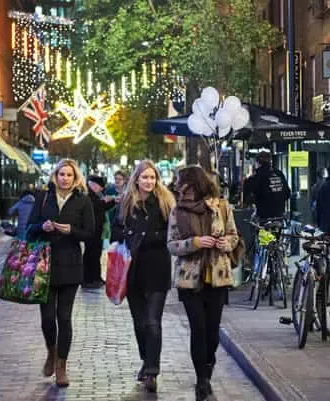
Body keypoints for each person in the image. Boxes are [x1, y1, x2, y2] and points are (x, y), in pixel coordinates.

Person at [167, 166, 239, 401]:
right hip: (190, 280)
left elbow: (234, 236)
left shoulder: (221, 206)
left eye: (182, 183)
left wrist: (224, 244)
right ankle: (202, 380)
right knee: (198, 329)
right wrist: (195, 242)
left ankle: (208, 367)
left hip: (217, 277)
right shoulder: (178, 211)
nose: (179, 187)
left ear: (194, 184)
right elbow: (172, 244)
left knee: (212, 331)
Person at [26, 159, 95, 387]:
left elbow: (90, 233)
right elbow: (28, 229)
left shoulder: (83, 201)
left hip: (70, 265)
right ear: (55, 176)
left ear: (76, 179)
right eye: (61, 174)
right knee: (47, 318)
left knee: (64, 318)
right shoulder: (43, 198)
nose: (65, 178)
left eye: (69, 175)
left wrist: (71, 231)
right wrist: (41, 228)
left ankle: (61, 366)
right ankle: (51, 352)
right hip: (44, 266)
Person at [111, 160, 175, 393]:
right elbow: (115, 230)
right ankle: (146, 360)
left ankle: (152, 371)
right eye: (145, 177)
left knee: (152, 321)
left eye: (153, 177)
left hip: (157, 267)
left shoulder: (166, 202)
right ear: (136, 179)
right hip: (133, 269)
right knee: (139, 323)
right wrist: (128, 235)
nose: (149, 181)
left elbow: (172, 233)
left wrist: (147, 236)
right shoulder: (127, 203)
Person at [84, 175, 114, 289]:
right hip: (91, 229)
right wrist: (106, 201)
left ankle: (96, 277)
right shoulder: (88, 195)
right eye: (100, 187)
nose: (101, 189)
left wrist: (113, 202)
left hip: (98, 229)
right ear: (93, 185)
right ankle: (88, 278)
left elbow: (102, 207)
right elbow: (96, 207)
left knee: (96, 254)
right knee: (91, 254)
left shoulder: (96, 195)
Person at [242, 151, 290, 220]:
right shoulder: (279, 173)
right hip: (280, 215)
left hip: (264, 216)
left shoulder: (257, 176)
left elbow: (247, 194)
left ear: (257, 163)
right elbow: (287, 193)